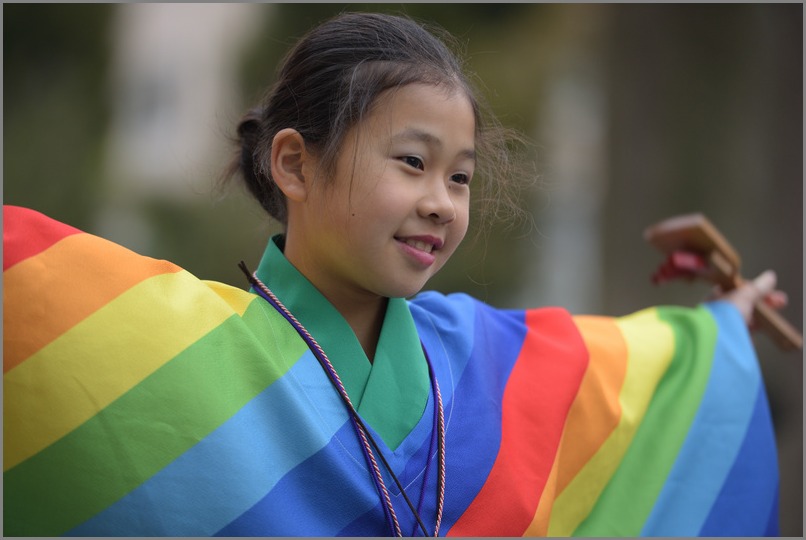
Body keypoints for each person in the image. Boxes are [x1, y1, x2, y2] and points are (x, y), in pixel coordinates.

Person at [3, 12, 785, 537]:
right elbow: (32, 292)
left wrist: (724, 327)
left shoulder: (479, 354)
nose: (440, 203)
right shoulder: (181, 351)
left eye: (461, 178)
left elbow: (627, 373)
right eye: (412, 163)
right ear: (295, 164)